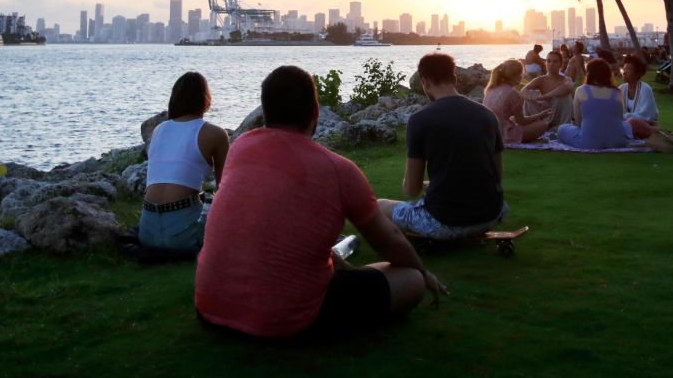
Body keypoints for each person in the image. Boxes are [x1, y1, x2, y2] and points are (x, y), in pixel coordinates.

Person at [195, 66, 445, 339]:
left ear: (265, 113)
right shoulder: (338, 169)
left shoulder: (240, 147)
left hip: (211, 309)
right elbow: (388, 240)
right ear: (315, 112)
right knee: (410, 281)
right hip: (285, 321)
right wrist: (423, 271)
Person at [377, 52, 508, 241]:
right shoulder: (487, 115)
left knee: (378, 206)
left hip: (444, 222)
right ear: (454, 78)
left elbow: (411, 190)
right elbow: (496, 175)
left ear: (425, 82)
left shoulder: (420, 120)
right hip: (493, 215)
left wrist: (414, 184)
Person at [138, 72, 229, 253]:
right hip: (183, 237)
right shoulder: (215, 134)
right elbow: (225, 189)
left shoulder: (159, 129)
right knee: (213, 201)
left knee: (203, 197)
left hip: (146, 231)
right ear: (205, 99)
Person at [557, 58, 632, 149]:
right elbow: (620, 119)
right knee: (627, 125)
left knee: (562, 129)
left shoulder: (581, 90)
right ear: (608, 74)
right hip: (617, 142)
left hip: (589, 143)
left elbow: (578, 122)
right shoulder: (617, 92)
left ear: (589, 73)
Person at [482, 60, 552, 144]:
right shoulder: (512, 93)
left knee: (513, 119)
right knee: (543, 124)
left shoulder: (491, 88)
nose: (522, 77)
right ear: (515, 76)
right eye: (521, 74)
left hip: (488, 132)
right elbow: (522, 121)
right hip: (503, 134)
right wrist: (540, 115)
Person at [522, 50, 575, 128]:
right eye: (548, 61)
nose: (551, 64)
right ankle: (533, 125)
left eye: (555, 62)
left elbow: (568, 87)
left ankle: (561, 127)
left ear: (560, 64)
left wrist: (544, 97)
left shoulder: (565, 79)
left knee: (565, 97)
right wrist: (537, 100)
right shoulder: (541, 79)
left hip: (558, 116)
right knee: (528, 98)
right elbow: (523, 91)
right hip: (543, 113)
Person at [617, 53, 658, 139]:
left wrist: (624, 117)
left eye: (628, 70)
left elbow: (646, 116)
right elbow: (617, 111)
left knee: (632, 122)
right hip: (626, 124)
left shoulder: (645, 89)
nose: (624, 72)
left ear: (637, 73)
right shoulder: (621, 89)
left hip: (644, 125)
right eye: (623, 69)